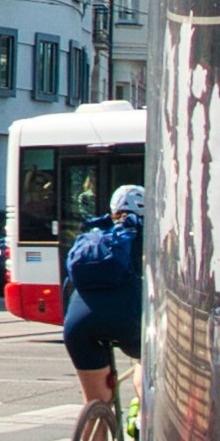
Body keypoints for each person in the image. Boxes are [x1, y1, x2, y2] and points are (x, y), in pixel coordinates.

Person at [62, 182, 147, 425]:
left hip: (79, 325)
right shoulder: (144, 236)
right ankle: (144, 419)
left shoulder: (93, 234)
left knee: (95, 401)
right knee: (146, 359)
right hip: (126, 319)